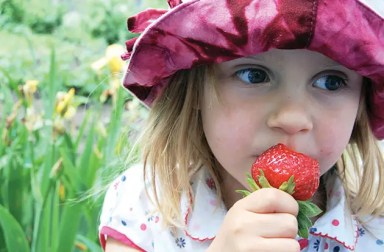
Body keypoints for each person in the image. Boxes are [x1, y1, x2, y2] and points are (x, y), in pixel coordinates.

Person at [99, 0, 384, 251]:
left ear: (361, 103)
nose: (293, 118)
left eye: (331, 82)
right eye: (254, 75)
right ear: (194, 89)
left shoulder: (375, 229)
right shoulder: (147, 206)